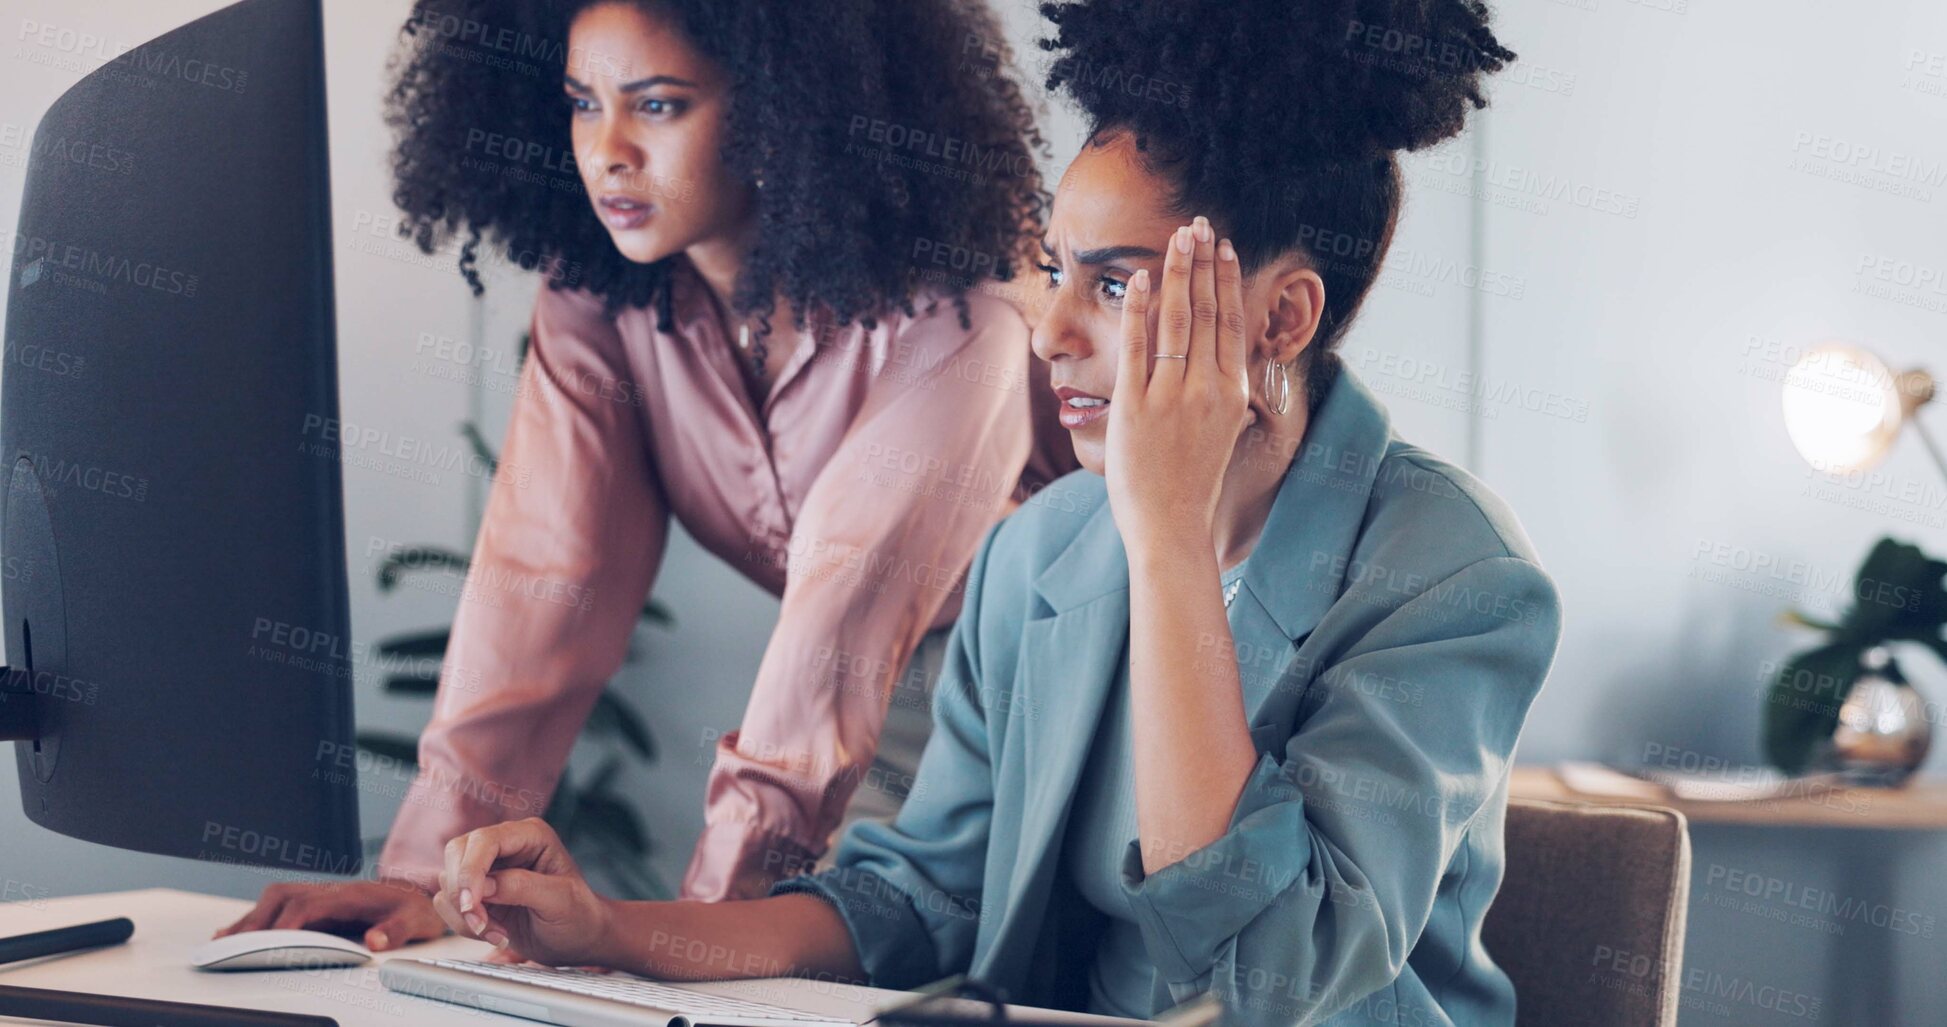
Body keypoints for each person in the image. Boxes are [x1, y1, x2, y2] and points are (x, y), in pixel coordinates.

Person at [417, 1, 1562, 1023]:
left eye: (1112, 284)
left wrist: (1167, 543)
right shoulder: (1040, 552)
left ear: (1280, 318)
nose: (1052, 329)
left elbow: (1273, 980)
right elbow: (914, 896)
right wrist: (610, 934)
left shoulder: (1454, 581)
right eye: (1058, 273)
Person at [216, 0, 1074, 950]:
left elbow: (845, 610)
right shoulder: (603, 293)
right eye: (582, 103)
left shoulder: (957, 300)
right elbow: (543, 584)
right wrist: (433, 881)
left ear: (786, 105)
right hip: (825, 698)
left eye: (658, 106)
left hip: (1032, 700)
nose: (606, 150)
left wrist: (691, 942)